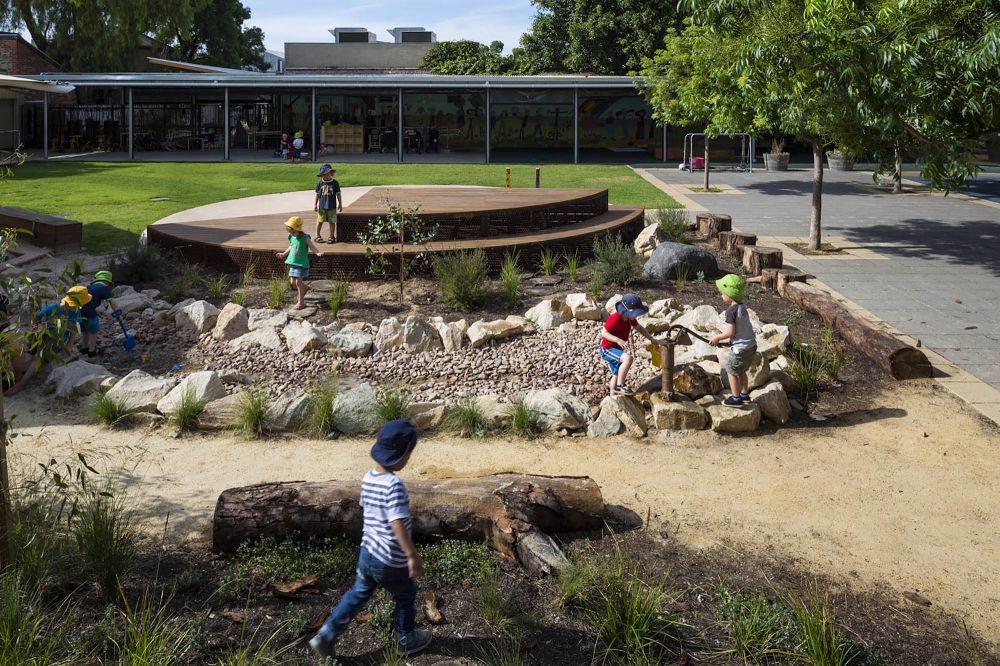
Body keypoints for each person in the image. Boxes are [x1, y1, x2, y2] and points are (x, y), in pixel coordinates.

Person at [309, 420, 433, 660]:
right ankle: (406, 639)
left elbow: (367, 509)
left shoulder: (368, 478)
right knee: (406, 593)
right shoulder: (394, 485)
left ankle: (326, 634)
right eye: (408, 454)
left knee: (357, 593)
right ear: (398, 456)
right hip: (389, 559)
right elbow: (396, 522)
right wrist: (411, 555)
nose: (409, 459)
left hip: (367, 553)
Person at [708, 274, 757, 406]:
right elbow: (742, 329)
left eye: (722, 293)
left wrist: (717, 338)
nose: (721, 295)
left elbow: (731, 332)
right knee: (742, 370)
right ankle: (744, 395)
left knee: (731, 370)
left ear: (730, 294)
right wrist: (729, 341)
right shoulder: (742, 307)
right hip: (751, 346)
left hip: (741, 349)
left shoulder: (731, 311)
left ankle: (736, 398)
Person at [599, 293, 658, 396]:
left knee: (616, 374)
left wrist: (651, 338)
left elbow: (639, 328)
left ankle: (612, 398)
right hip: (607, 349)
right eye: (635, 313)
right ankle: (620, 386)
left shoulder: (630, 319)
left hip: (617, 350)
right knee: (628, 359)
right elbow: (603, 333)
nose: (636, 315)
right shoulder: (615, 318)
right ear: (626, 311)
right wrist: (617, 340)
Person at [275, 216, 324, 310]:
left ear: (298, 229)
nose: (292, 234)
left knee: (298, 282)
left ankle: (301, 303)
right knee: (293, 282)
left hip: (301, 263)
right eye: (290, 232)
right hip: (293, 263)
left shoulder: (305, 238)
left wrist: (317, 252)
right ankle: (305, 288)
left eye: (293, 232)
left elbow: (312, 246)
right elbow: (291, 246)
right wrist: (283, 254)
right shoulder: (292, 237)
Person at [79, 270, 117, 357]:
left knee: (84, 331)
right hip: (91, 313)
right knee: (92, 331)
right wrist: (117, 311)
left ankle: (84, 347)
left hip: (80, 312)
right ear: (107, 282)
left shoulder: (88, 287)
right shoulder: (104, 288)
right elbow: (112, 301)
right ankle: (92, 350)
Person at [314, 164, 343, 243]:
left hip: (332, 206)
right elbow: (317, 195)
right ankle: (317, 235)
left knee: (332, 222)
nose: (326, 176)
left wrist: (340, 204)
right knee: (320, 221)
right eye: (324, 174)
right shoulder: (320, 183)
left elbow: (338, 194)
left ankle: (331, 236)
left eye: (327, 173)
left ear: (331, 173)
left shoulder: (335, 183)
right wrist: (315, 205)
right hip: (322, 207)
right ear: (321, 175)